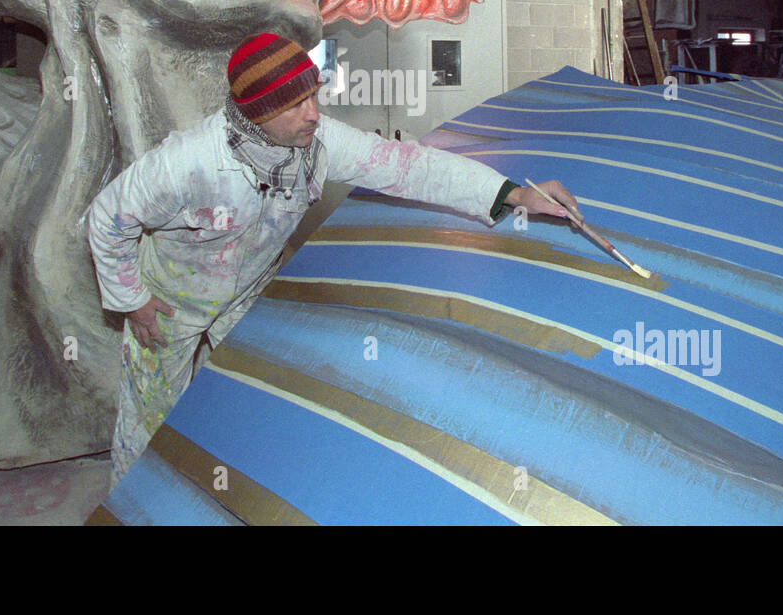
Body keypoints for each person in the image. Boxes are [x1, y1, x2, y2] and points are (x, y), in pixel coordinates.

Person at [88, 32, 582, 485]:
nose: (313, 114)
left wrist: (515, 194)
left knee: (247, 399)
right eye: (295, 104)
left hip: (247, 294)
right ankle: (131, 505)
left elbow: (409, 166)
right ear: (257, 113)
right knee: (148, 418)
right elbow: (107, 217)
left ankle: (225, 489)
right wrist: (132, 299)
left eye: (312, 96)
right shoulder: (186, 162)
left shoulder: (317, 147)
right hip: (169, 301)